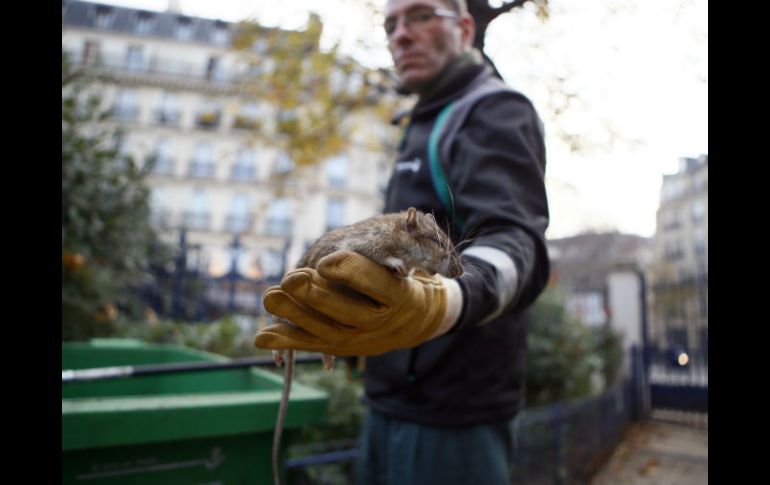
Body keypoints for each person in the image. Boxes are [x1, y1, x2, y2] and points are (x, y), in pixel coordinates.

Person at [255, 0, 550, 483]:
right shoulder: (419, 120)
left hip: (454, 414)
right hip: (388, 397)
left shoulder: (493, 109)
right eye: (390, 24)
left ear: (465, 27)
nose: (400, 35)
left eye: (420, 15)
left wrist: (444, 303)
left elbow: (518, 242)